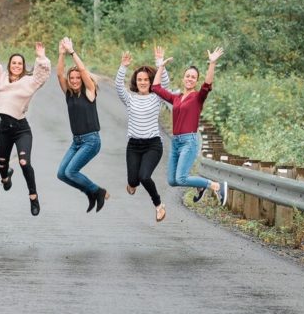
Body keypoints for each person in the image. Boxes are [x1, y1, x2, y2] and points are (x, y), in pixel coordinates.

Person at [0, 21, 51, 216]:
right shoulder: (1, 77)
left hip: (21, 129)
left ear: (23, 66)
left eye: (20, 63)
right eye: (13, 63)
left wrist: (41, 57)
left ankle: (33, 197)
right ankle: (5, 176)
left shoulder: (30, 81)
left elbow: (43, 74)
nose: (16, 65)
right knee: (2, 165)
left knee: (24, 162)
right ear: (9, 65)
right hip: (4, 130)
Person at [151, 47, 229, 206]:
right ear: (183, 78)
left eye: (193, 77)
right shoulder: (177, 98)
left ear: (196, 81)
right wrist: (160, 66)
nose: (190, 79)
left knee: (181, 178)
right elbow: (155, 88)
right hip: (176, 142)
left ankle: (216, 186)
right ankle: (200, 187)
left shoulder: (197, 98)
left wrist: (212, 63)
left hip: (189, 141)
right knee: (173, 181)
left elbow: (207, 84)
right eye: (188, 76)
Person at [114, 46, 172, 222]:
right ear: (136, 81)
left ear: (150, 81)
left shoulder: (157, 97)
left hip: (153, 145)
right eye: (139, 79)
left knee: (144, 176)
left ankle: (158, 205)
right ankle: (132, 183)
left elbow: (166, 84)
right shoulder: (130, 98)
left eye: (146, 79)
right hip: (133, 146)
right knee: (133, 181)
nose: (143, 82)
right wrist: (123, 66)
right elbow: (118, 86)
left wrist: (159, 63)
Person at [55, 37, 108, 212]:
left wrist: (72, 52)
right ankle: (90, 192)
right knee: (62, 174)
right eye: (72, 78)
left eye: (78, 78)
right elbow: (59, 74)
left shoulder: (89, 92)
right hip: (76, 141)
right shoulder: (68, 94)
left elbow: (84, 70)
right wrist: (61, 54)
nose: (75, 80)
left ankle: (97, 191)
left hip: (91, 140)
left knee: (71, 172)